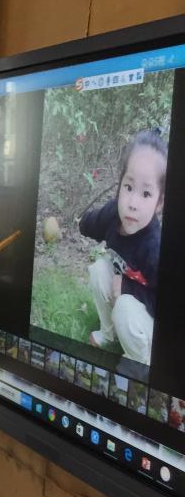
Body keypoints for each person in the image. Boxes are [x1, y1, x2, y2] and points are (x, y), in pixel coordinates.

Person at [80, 130, 166, 365]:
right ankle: (109, 334)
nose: (132, 203)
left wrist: (129, 288)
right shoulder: (113, 214)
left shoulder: (154, 248)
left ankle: (140, 360)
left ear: (159, 202)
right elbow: (91, 223)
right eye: (128, 187)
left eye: (146, 193)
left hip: (149, 318)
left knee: (125, 308)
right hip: (127, 297)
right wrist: (82, 223)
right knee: (99, 269)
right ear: (120, 186)